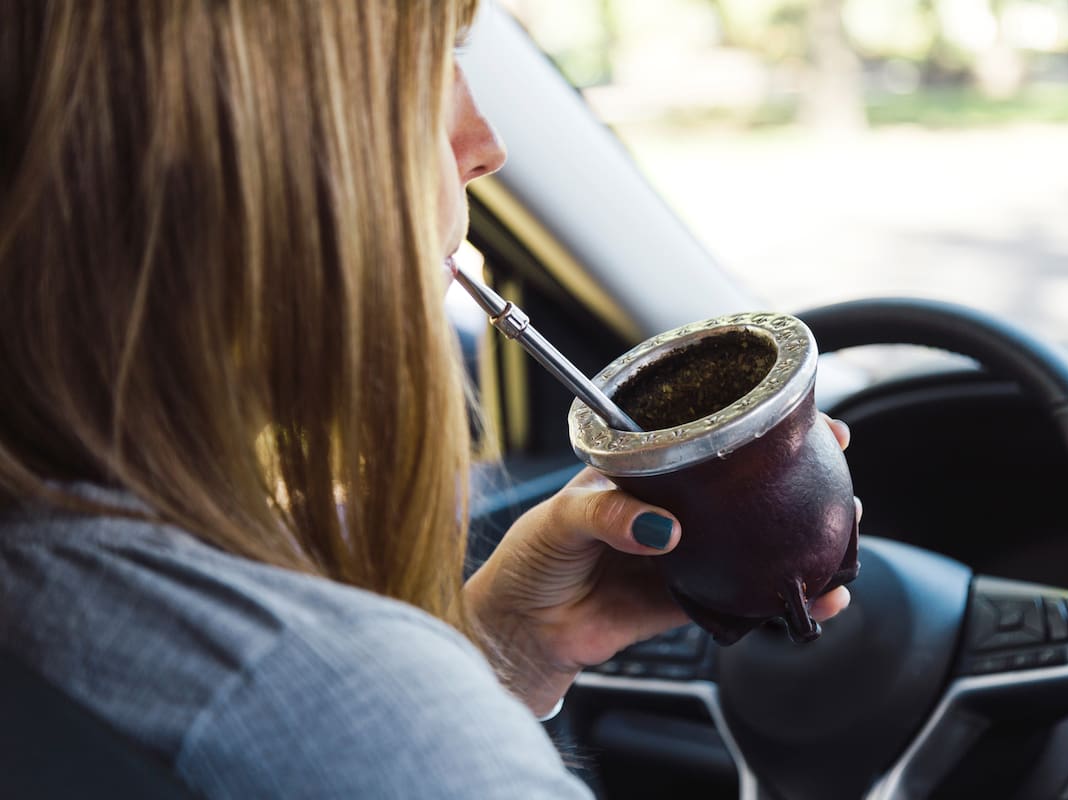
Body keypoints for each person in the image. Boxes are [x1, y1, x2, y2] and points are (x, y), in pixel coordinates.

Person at [0, 1, 852, 797]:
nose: (484, 144)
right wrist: (429, 701)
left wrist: (505, 652)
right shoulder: (345, 711)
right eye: (429, 65)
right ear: (239, 160)